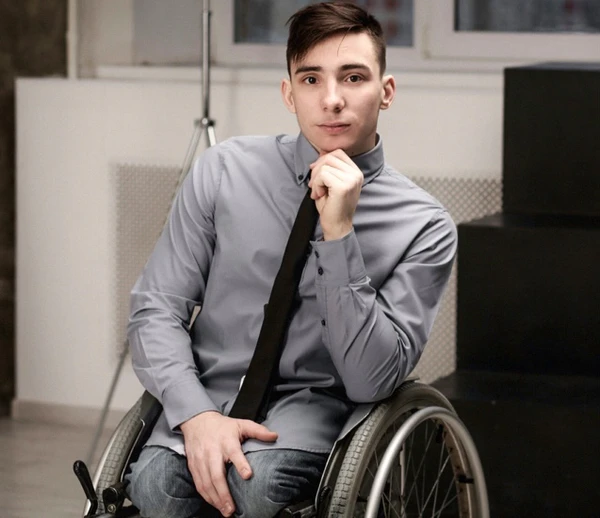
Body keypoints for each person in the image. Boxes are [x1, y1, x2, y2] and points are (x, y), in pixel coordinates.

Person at [125, 2, 457, 517]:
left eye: (353, 77)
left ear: (386, 91)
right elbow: (156, 309)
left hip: (313, 416)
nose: (332, 99)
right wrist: (196, 415)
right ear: (289, 94)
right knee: (155, 488)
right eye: (310, 79)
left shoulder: (425, 226)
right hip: (209, 398)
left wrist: (339, 233)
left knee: (260, 487)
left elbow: (371, 379)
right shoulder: (223, 171)